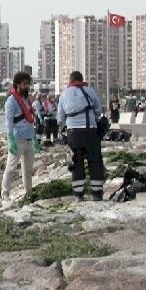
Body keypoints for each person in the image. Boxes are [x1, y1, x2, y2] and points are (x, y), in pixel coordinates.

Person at [57, 71, 105, 201]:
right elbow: (99, 109)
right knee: (94, 160)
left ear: (70, 81)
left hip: (73, 132)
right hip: (90, 130)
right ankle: (97, 193)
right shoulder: (89, 90)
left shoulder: (64, 94)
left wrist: (62, 130)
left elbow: (60, 117)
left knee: (76, 162)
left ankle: (79, 194)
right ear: (81, 79)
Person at [1, 72, 40, 207]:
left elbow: (31, 120)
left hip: (29, 139)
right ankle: (5, 194)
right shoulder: (11, 102)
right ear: (17, 85)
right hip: (17, 140)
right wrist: (10, 139)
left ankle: (28, 193)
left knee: (28, 171)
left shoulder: (27, 100)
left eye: (28, 83)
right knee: (11, 168)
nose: (26, 86)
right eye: (24, 84)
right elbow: (9, 122)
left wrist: (35, 137)